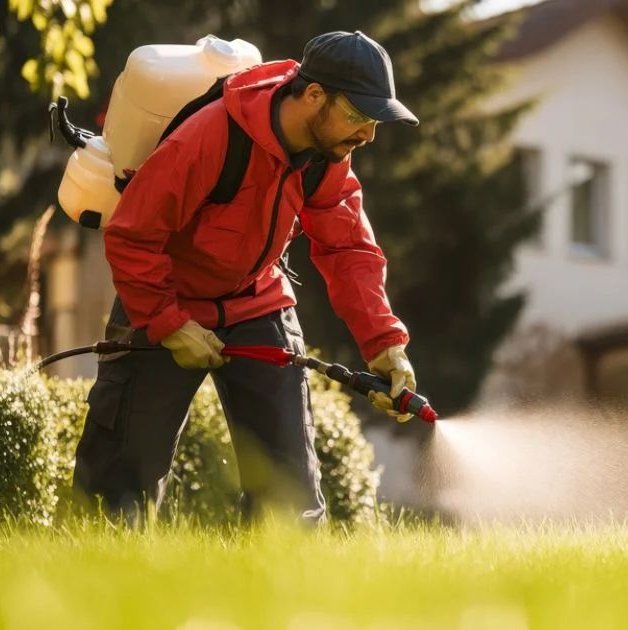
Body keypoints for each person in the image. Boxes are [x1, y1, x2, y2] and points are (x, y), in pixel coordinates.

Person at [72, 31, 419, 525]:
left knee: (290, 500)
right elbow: (132, 236)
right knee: (115, 492)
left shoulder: (328, 157)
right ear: (314, 95)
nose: (368, 135)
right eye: (360, 116)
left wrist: (385, 344)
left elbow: (348, 248)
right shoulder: (209, 137)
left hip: (257, 301)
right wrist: (169, 324)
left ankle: (286, 598)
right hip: (163, 300)